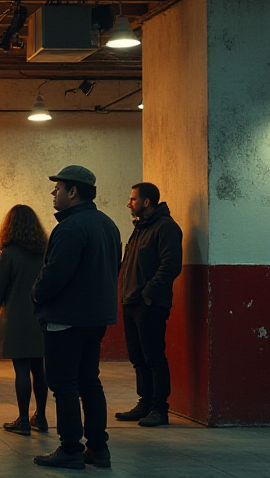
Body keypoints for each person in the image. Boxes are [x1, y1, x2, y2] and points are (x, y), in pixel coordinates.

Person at [31, 165, 121, 469]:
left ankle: (70, 449)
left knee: (64, 384)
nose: (53, 193)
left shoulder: (70, 227)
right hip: (96, 318)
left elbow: (56, 274)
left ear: (73, 191)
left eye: (58, 188)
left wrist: (37, 294)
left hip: (66, 317)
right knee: (89, 382)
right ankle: (98, 448)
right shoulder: (107, 224)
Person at [116, 182, 183, 428]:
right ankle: (145, 403)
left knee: (153, 355)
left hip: (150, 304)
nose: (129, 203)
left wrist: (148, 293)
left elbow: (170, 266)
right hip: (132, 302)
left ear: (147, 202)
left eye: (133, 199)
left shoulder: (165, 227)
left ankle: (159, 409)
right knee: (138, 356)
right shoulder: (140, 228)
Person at [0, 205, 50, 436]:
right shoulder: (46, 251)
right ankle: (41, 417)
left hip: (15, 318)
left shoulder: (8, 253)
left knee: (21, 369)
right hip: (41, 317)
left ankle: (23, 419)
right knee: (39, 368)